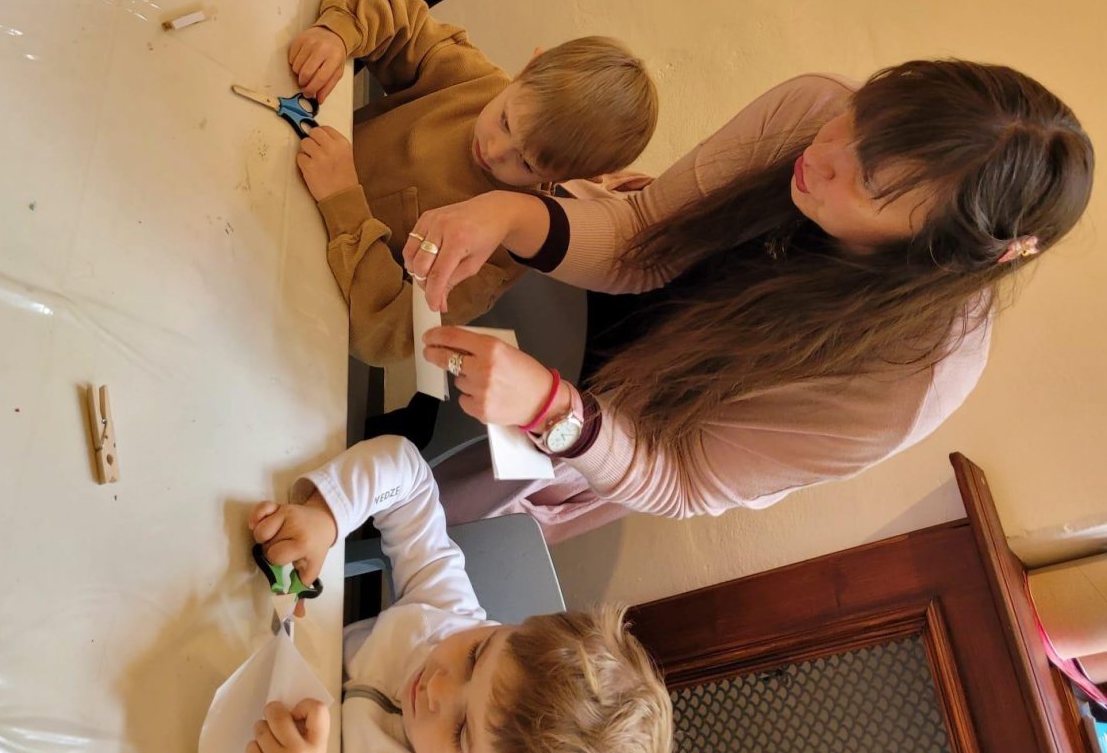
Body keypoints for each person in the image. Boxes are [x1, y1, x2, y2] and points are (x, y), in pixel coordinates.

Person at [391, 62, 1093, 541]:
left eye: (870, 181)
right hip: (583, 300)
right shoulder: (815, 108)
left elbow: (681, 476)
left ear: (938, 250)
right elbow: (645, 238)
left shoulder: (911, 377)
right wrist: (510, 214)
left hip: (614, 430)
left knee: (394, 489)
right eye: (858, 119)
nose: (825, 152)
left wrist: (552, 411)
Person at [287, 0, 658, 365]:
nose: (495, 150)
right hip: (278, 165)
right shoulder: (475, 82)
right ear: (527, 68)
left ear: (567, 178)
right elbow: (389, 5)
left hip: (295, 277)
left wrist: (344, 202)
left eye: (526, 164)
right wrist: (338, 32)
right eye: (505, 121)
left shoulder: (496, 254)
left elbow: (389, 334)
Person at [241, 435, 673, 753]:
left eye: (462, 732)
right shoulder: (449, 614)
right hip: (253, 642)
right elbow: (408, 477)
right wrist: (328, 514)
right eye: (475, 656)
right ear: (511, 626)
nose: (437, 687)